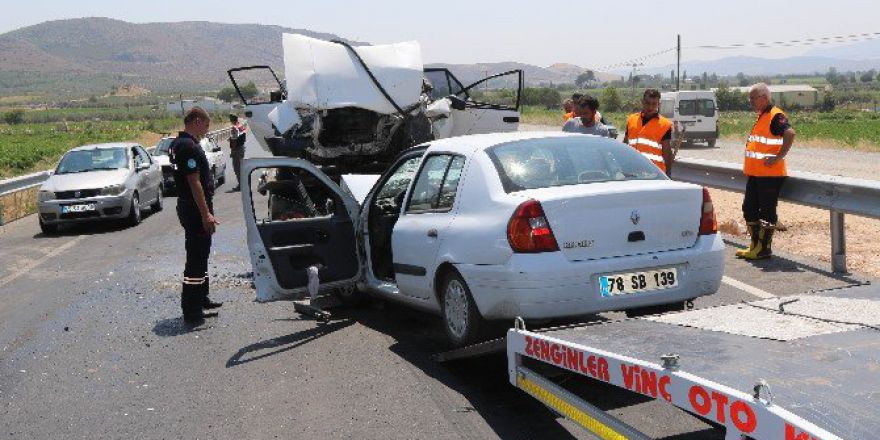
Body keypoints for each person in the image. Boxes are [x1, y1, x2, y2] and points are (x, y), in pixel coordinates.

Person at [169, 107, 222, 326]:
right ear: (197, 120)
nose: (206, 130)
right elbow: (194, 182)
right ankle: (192, 311)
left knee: (202, 254)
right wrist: (206, 214)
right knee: (196, 258)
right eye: (206, 125)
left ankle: (202, 298)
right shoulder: (188, 146)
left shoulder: (178, 144)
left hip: (190, 207)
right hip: (194, 209)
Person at [736, 83, 795, 260]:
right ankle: (754, 245)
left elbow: (790, 133)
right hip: (756, 173)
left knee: (767, 212)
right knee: (749, 209)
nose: (751, 102)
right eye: (750, 98)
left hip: (770, 175)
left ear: (764, 97)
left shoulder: (775, 115)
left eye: (754, 98)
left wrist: (779, 156)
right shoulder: (762, 116)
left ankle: (764, 249)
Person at [623, 89, 675, 175]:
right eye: (647, 103)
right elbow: (625, 145)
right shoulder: (631, 120)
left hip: (654, 174)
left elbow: (667, 153)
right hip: (632, 172)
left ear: (659, 104)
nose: (650, 107)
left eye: (654, 104)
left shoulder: (665, 125)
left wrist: (667, 174)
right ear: (642, 102)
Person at [228, 114, 248, 191]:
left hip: (237, 149)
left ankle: (241, 185)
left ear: (231, 120)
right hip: (242, 148)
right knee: (241, 167)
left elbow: (234, 140)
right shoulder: (241, 126)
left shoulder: (234, 128)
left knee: (237, 168)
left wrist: (232, 151)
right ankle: (243, 183)